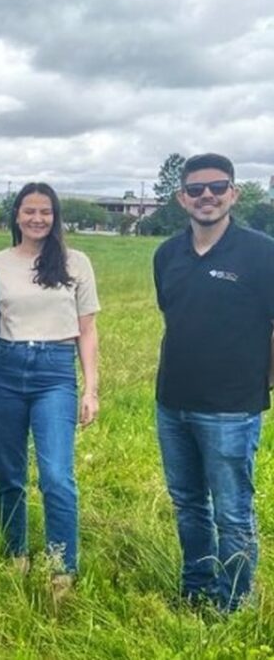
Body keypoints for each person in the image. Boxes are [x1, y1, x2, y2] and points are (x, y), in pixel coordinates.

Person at [0, 182, 99, 599]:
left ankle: (61, 568)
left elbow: (88, 330)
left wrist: (91, 389)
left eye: (46, 212)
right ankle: (15, 553)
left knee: (56, 477)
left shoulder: (76, 262)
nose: (38, 219)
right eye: (29, 211)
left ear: (55, 217)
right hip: (6, 368)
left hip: (55, 371)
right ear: (16, 215)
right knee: (9, 474)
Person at [153, 153, 274, 612]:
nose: (207, 196)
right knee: (188, 504)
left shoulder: (262, 253)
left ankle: (233, 603)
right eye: (196, 189)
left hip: (232, 408)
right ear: (182, 197)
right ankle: (196, 588)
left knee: (233, 512)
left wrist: (262, 381)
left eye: (218, 187)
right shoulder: (167, 255)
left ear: (234, 193)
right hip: (172, 402)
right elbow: (173, 315)